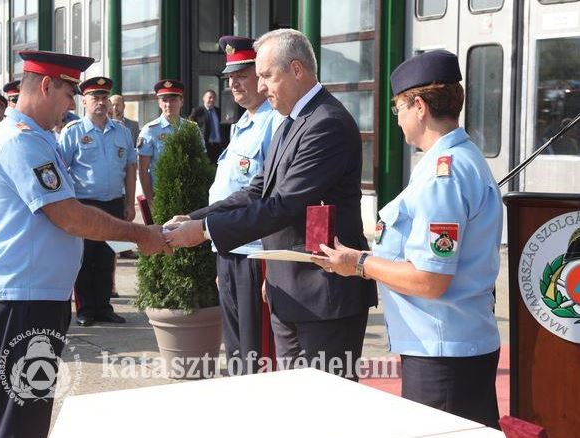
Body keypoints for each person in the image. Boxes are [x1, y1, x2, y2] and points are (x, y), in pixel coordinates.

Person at [0, 51, 169, 438]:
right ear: (47, 86)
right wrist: (140, 234)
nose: (71, 107)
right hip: (25, 299)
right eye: (68, 95)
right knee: (25, 417)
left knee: (27, 409)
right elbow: (70, 215)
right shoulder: (22, 141)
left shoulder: (38, 138)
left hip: (34, 295)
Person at [165, 29, 377, 379]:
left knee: (325, 413)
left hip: (323, 296)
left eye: (265, 76)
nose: (260, 87)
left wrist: (202, 231)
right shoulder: (291, 123)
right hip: (292, 291)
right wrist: (195, 216)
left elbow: (282, 205)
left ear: (296, 70)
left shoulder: (326, 124)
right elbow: (256, 191)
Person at [311, 50, 503, 428]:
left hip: (442, 355)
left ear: (419, 107)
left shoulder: (440, 176)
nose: (396, 119)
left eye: (397, 108)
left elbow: (429, 280)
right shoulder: (462, 159)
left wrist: (359, 264)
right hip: (455, 346)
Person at [191, 35, 282, 374]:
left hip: (256, 254)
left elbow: (269, 196)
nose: (234, 84)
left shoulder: (274, 123)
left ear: (261, 76)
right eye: (230, 77)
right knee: (236, 352)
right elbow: (230, 190)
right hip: (230, 249)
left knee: (257, 353)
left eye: (242, 75)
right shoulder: (243, 123)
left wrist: (271, 269)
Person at [57, 76, 136, 326]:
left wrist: (129, 202)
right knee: (85, 259)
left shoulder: (121, 132)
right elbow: (61, 168)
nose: (101, 102)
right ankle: (85, 310)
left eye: (104, 97)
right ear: (84, 102)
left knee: (107, 258)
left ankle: (103, 307)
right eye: (95, 98)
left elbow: (131, 167)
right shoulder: (73, 132)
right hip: (85, 204)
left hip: (114, 202)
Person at [138, 80, 202, 208]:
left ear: (181, 101)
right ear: (159, 103)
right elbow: (143, 170)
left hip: (189, 196)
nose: (168, 104)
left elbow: (201, 162)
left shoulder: (192, 128)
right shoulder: (150, 130)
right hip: (161, 197)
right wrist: (150, 201)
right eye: (164, 100)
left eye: (173, 99)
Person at [108, 93, 139, 266]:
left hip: (125, 178)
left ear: (124, 106)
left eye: (119, 104)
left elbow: (131, 160)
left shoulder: (131, 127)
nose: (116, 107)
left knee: (125, 216)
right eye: (113, 104)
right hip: (109, 186)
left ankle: (124, 248)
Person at [189, 89, 226, 163]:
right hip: (205, 146)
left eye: (214, 98)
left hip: (218, 146)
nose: (212, 100)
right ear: (204, 98)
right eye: (210, 97)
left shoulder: (219, 111)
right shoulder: (197, 111)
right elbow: (190, 127)